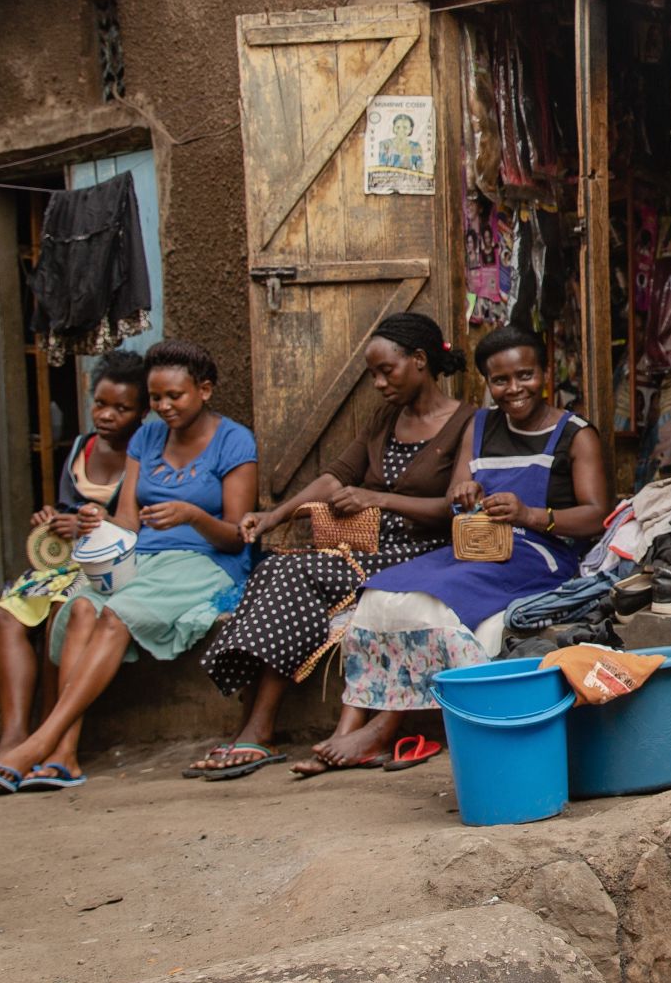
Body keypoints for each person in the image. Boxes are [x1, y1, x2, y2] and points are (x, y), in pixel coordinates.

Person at [309, 325, 611, 775]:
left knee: (436, 604)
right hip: (475, 547)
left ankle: (384, 729)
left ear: (546, 373)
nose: (513, 389)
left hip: (540, 553)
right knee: (380, 594)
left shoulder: (575, 434)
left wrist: (531, 514)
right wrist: (465, 491)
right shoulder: (481, 424)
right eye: (500, 380)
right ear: (487, 383)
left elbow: (595, 514)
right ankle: (348, 724)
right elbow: (455, 495)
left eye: (525, 376)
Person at [186, 313, 474, 779]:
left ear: (420, 361)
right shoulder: (386, 419)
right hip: (368, 551)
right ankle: (257, 727)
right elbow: (335, 476)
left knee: (291, 575)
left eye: (387, 371)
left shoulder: (467, 422)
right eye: (373, 374)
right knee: (279, 570)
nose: (379, 383)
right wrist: (275, 515)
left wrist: (377, 497)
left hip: (427, 554)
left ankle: (257, 729)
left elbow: (452, 508)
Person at [0, 339, 258, 792]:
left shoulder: (234, 440)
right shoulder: (146, 438)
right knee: (81, 608)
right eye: (155, 397)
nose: (163, 407)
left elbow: (236, 535)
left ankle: (40, 742)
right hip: (142, 559)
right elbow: (127, 523)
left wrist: (192, 515)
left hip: (205, 562)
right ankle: (65, 755)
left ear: (205, 390)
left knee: (115, 612)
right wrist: (98, 521)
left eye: (175, 396)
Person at [0, 350, 148, 790]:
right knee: (8, 613)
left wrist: (89, 521)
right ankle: (12, 736)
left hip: (104, 563)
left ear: (141, 412)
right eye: (100, 404)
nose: (106, 415)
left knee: (58, 613)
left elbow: (128, 522)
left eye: (121, 409)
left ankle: (52, 734)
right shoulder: (81, 449)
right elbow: (66, 509)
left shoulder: (143, 454)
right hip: (62, 561)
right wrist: (53, 520)